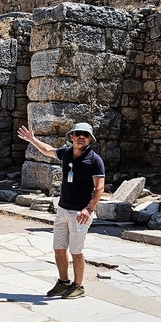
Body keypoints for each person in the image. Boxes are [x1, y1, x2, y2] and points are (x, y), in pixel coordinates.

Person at [17, 122, 106, 299]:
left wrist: (88, 210)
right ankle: (63, 282)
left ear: (90, 139)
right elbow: (48, 150)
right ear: (71, 136)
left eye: (86, 135)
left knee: (76, 251)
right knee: (59, 249)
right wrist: (32, 139)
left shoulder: (95, 160)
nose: (82, 137)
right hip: (63, 209)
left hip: (80, 213)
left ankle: (78, 286)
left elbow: (99, 188)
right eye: (78, 133)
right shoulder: (66, 153)